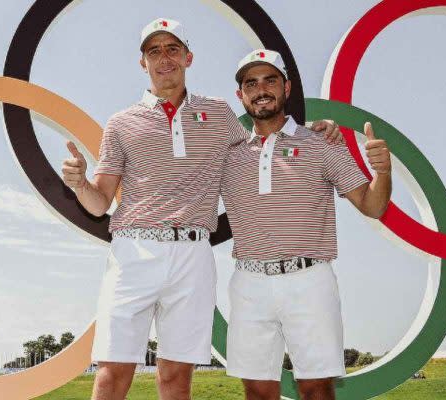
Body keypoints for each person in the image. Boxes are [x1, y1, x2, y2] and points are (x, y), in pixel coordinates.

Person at [61, 18, 341, 400]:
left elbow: (265, 145)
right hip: (134, 251)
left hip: (193, 254)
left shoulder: (220, 114)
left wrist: (316, 131)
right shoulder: (120, 123)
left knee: (176, 376)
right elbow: (100, 202)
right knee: (112, 370)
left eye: (172, 49)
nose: (164, 59)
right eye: (153, 51)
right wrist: (80, 184)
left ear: (188, 57)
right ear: (142, 62)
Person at [221, 49, 392, 400]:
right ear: (241, 96)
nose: (261, 89)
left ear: (286, 88)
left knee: (316, 388)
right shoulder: (229, 152)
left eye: (270, 80)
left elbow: (373, 206)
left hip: (309, 279)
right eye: (250, 83)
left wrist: (383, 171)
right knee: (256, 390)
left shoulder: (321, 143)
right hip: (249, 281)